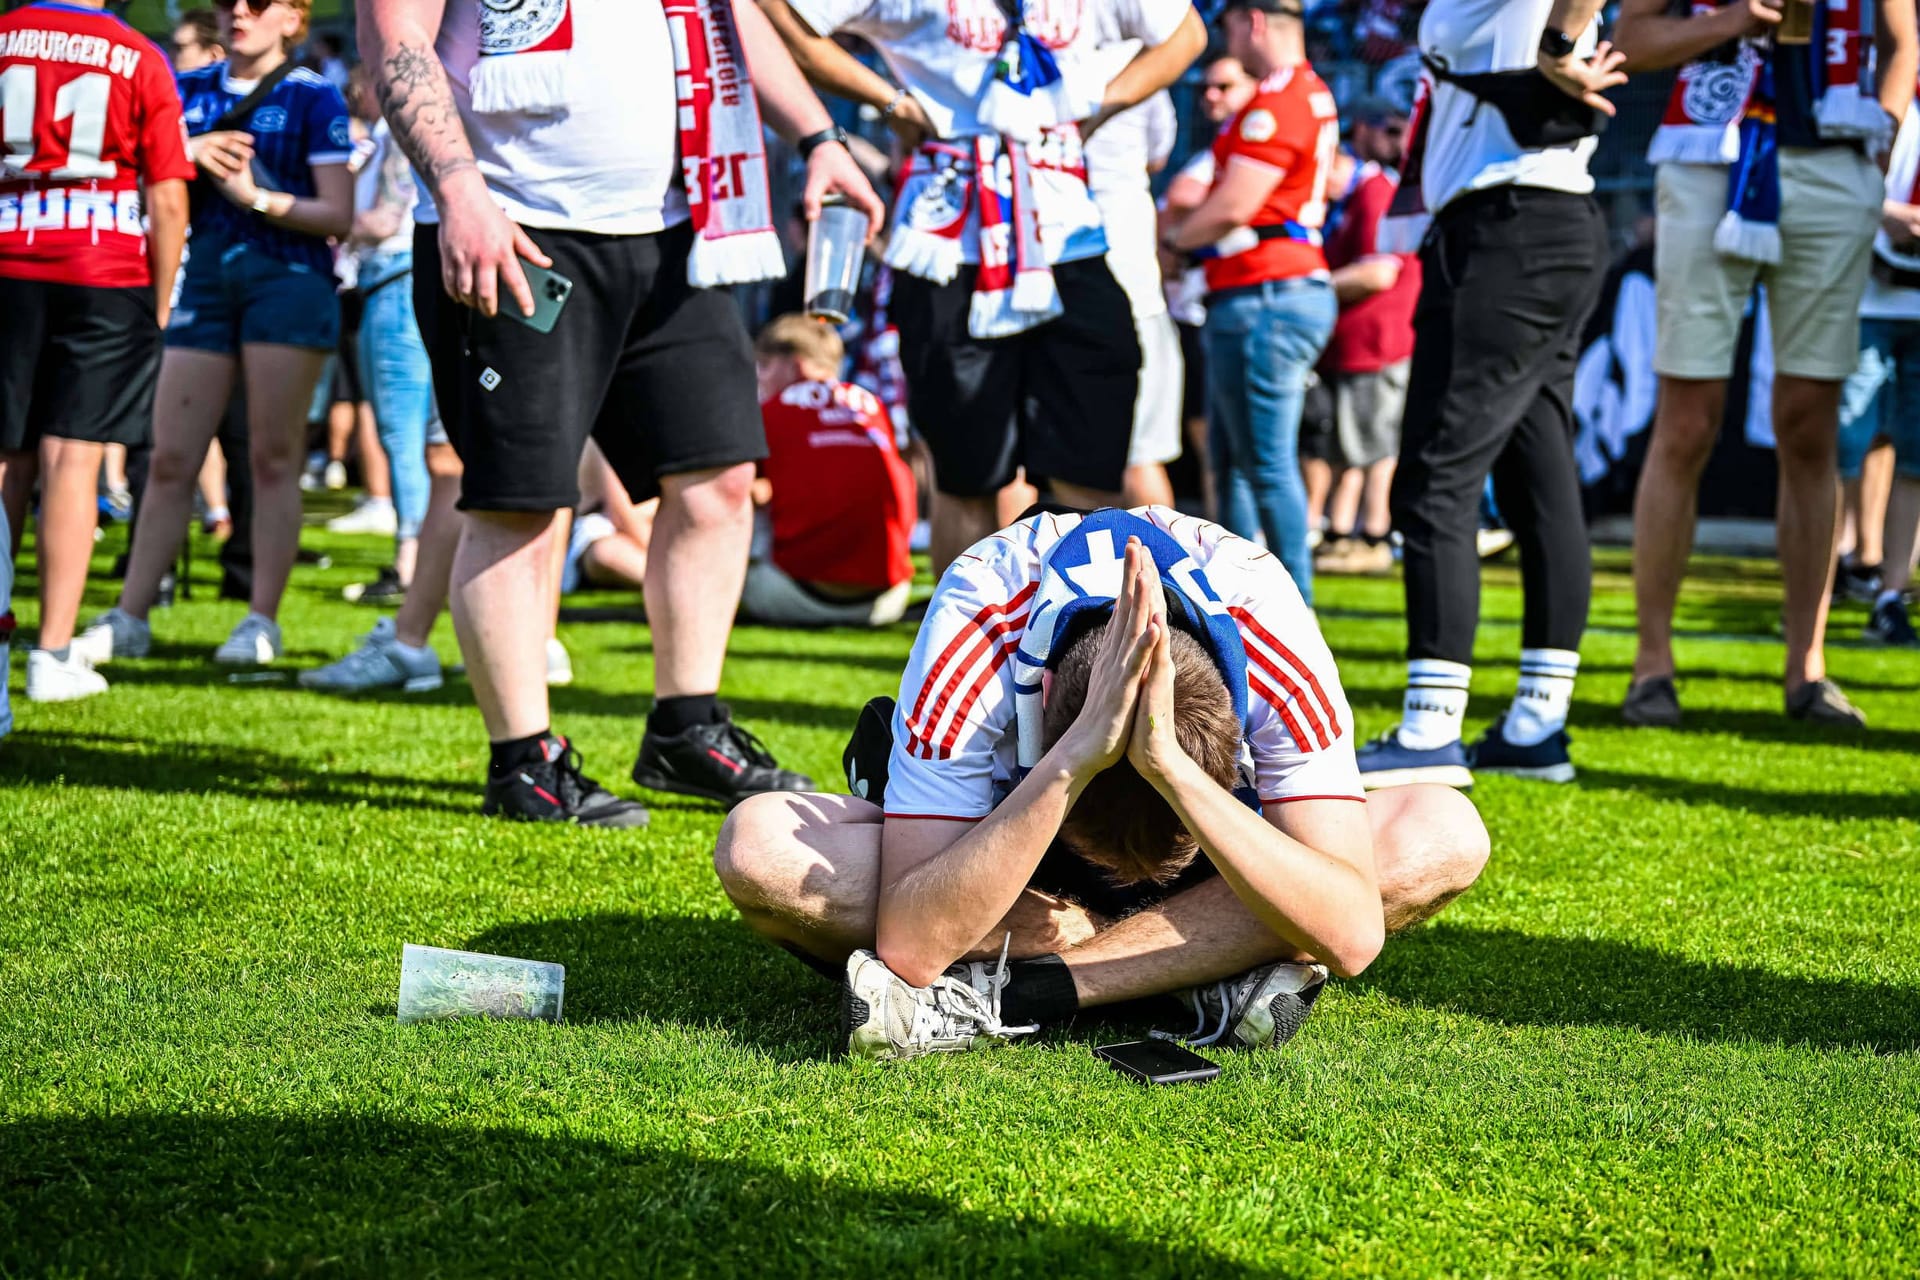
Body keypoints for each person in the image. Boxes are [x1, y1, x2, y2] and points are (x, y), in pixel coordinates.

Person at [360, 0, 885, 826]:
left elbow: (733, 20)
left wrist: (821, 139)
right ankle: (523, 762)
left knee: (719, 480)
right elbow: (395, 38)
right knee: (519, 502)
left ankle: (687, 727)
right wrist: (458, 191)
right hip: (513, 222)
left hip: (680, 228)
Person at [713, 507, 1489, 1060]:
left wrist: (1176, 774)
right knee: (760, 848)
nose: (1128, 884)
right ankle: (1201, 972)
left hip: (1197, 853)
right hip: (1026, 852)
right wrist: (1073, 762)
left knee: (1444, 831)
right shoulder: (982, 611)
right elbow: (910, 938)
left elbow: (1352, 933)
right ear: (1043, 705)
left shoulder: (1263, 610)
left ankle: (1014, 994)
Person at [761, 0, 1206, 573]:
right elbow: (776, 12)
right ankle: (966, 649)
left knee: (1088, 471)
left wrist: (1098, 105)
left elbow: (1187, 33)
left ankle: (1073, 650)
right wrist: (889, 101)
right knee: (966, 477)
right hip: (949, 248)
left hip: (1069, 240)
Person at [1615, 0, 1916, 729]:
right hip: (1707, 156)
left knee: (1811, 424)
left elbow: (1903, 41)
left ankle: (1806, 668)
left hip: (1835, 166)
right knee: (1686, 420)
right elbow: (1632, 39)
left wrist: (1881, 135)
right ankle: (1652, 665)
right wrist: (1730, 22)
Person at [1352, 0, 1623, 789]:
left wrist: (1559, 41)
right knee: (1540, 476)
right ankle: (1537, 725)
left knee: (1438, 480)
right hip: (1538, 223)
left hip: (1510, 226)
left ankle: (1431, 727)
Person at [82, 0, 354, 671]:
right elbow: (140, 171)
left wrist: (255, 197)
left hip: (288, 281)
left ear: (292, 18)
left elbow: (339, 213)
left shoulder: (316, 96)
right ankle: (132, 614)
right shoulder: (186, 88)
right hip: (202, 279)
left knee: (272, 458)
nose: (239, 11)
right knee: (170, 455)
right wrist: (188, 152)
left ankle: (261, 620)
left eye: (259, 3)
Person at [0, 0, 194, 702]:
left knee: (7, 459)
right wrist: (162, 296)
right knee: (73, 458)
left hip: (9, 255)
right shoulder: (138, 53)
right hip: (103, 267)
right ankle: (51, 652)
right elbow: (168, 196)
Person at [1166, 0, 1340, 606]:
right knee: (1239, 461)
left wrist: (1173, 242)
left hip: (1268, 291)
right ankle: (1241, 603)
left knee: (1262, 463)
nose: (1229, 38)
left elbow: (1232, 205)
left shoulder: (1279, 100)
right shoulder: (1297, 94)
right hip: (1260, 290)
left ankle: (1290, 610)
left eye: (1231, 24)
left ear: (1254, 22)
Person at [329, 62, 439, 605]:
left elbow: (385, 220)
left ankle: (410, 561)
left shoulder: (395, 134)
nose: (354, 94)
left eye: (362, 83)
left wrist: (317, 218)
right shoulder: (380, 138)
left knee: (403, 434)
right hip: (390, 285)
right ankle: (417, 556)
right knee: (413, 435)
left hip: (395, 285)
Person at [743, 316, 917, 627]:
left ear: (795, 365)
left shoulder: (772, 411)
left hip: (796, 595)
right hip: (888, 599)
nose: (759, 377)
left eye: (765, 365)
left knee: (729, 496)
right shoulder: (872, 406)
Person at [1312, 96, 1417, 578]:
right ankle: (1345, 534)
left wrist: (1312, 286)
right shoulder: (1357, 196)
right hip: (1356, 345)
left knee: (1374, 448)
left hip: (1378, 343)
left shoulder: (1375, 190)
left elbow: (1379, 273)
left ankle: (1372, 535)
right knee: (1351, 447)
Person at [1836, 87, 1920, 648]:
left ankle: (1892, 594)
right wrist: (1884, 215)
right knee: (1844, 444)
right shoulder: (1880, 92)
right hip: (1864, 298)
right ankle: (1830, 575)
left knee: (1914, 456)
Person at [1160, 52, 1260, 524]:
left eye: (1225, 86)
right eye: (1206, 89)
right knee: (1213, 441)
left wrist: (1178, 237)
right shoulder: (1222, 144)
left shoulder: (1246, 144)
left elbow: (1182, 195)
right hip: (1202, 305)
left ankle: (1232, 542)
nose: (1211, 97)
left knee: (1232, 443)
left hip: (1235, 301)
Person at [1081, 68, 1182, 511]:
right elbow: (1157, 156)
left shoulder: (1031, 53)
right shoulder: (1142, 63)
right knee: (1138, 459)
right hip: (1128, 289)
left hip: (1105, 286)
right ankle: (1171, 579)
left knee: (1023, 466)